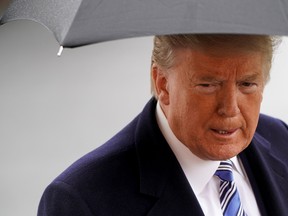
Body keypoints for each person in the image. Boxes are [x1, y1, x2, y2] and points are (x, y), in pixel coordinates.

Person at [37, 34, 288, 216]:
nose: (230, 109)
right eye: (208, 85)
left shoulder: (282, 140)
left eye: (247, 84)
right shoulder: (81, 201)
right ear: (163, 84)